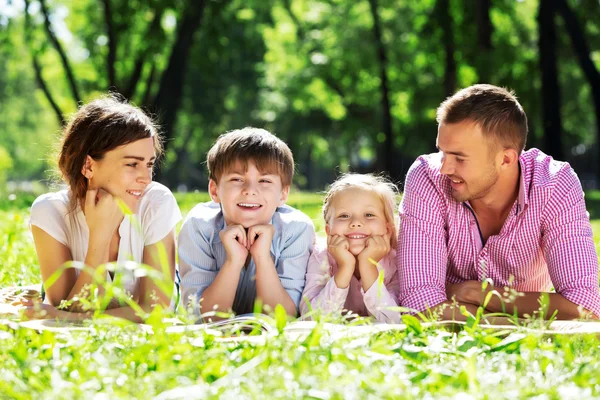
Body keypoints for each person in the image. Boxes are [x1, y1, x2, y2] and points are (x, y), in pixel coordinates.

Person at [397, 84, 600, 320]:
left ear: (506, 158)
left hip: (460, 316)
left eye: (460, 158)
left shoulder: (554, 185)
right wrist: (510, 321)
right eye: (443, 152)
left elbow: (585, 306)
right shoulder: (426, 177)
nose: (445, 168)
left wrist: (480, 295)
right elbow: (418, 303)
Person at [26, 96, 181, 322]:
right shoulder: (50, 211)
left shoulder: (156, 202)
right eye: (132, 164)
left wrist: (69, 318)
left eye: (149, 164)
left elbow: (155, 310)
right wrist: (100, 237)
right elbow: (66, 307)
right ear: (88, 165)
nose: (146, 179)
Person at [178, 127, 315, 318]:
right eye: (237, 179)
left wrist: (262, 258)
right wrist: (233, 261)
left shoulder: (296, 229)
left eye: (265, 181)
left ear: (283, 194)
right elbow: (204, 319)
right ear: (214, 190)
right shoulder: (199, 225)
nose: (250, 190)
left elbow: (283, 318)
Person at [300, 174, 400, 323]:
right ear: (329, 230)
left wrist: (368, 266)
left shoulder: (396, 261)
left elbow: (394, 321)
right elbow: (311, 319)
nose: (356, 223)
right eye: (344, 215)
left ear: (387, 229)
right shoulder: (321, 257)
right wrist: (345, 268)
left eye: (369, 214)